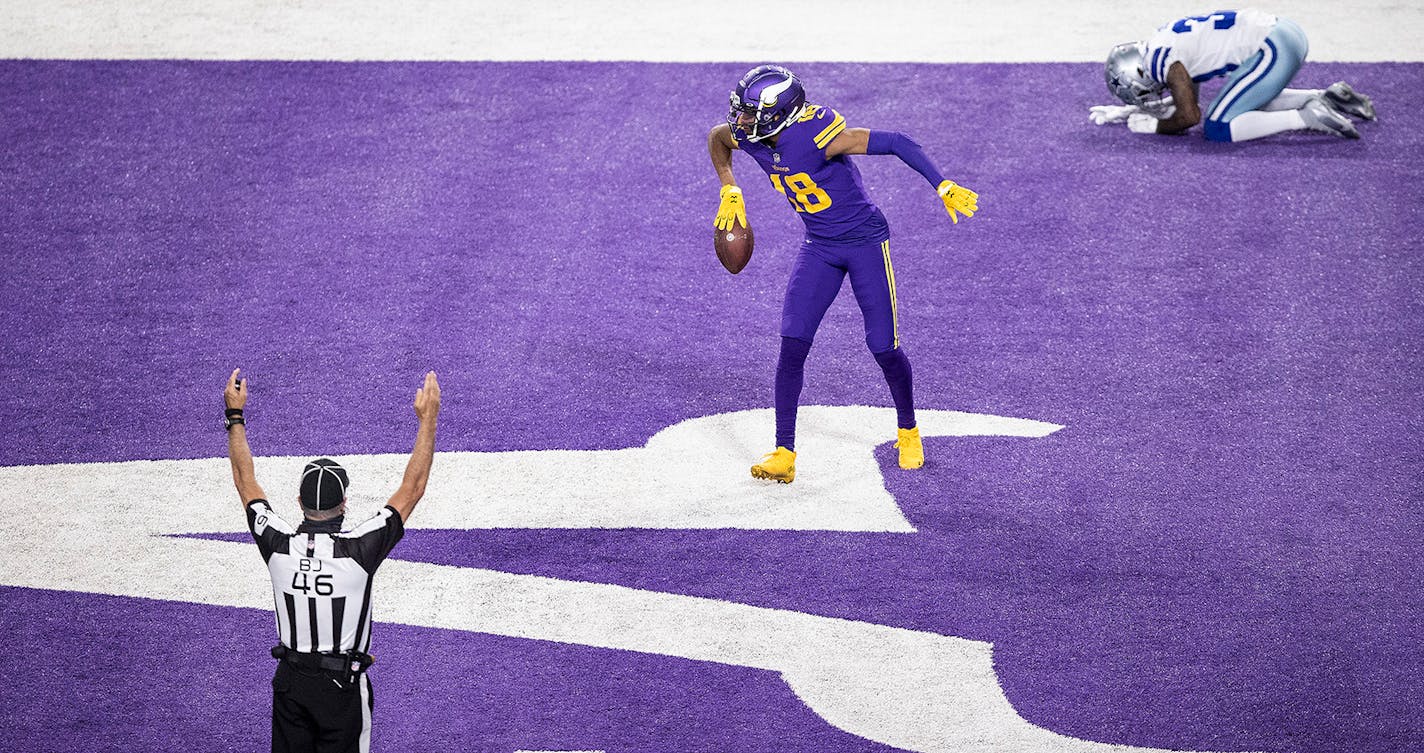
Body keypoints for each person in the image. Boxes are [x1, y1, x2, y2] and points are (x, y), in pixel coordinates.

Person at [707, 64, 978, 484]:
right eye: (740, 112)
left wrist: (941, 184)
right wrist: (729, 186)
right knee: (793, 339)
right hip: (819, 246)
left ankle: (908, 430)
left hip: (865, 244)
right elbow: (718, 139)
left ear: (781, 112)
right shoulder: (747, 134)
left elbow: (895, 142)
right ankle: (784, 451)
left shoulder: (819, 136)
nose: (741, 121)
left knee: (883, 346)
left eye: (749, 113)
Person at [224, 368, 441, 753]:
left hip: (290, 682)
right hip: (341, 689)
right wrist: (428, 420)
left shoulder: (277, 546)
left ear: (300, 504)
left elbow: (245, 481)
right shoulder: (358, 551)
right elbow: (413, 488)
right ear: (343, 505)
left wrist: (235, 416)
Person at [1090, 8, 1376, 141]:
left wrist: (1154, 127)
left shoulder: (1160, 63)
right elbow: (1185, 96)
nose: (1149, 96)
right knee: (1240, 102)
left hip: (1272, 48)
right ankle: (1326, 97)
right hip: (1285, 32)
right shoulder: (1160, 41)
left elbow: (1190, 116)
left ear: (1139, 74)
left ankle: (1306, 117)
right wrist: (1128, 112)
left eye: (1140, 93)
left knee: (1219, 126)